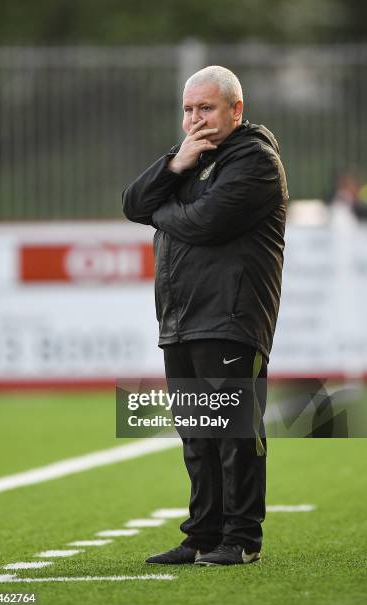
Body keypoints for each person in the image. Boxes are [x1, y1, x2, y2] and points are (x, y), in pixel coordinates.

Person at [123, 65, 288, 566]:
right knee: (196, 434)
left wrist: (162, 209)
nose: (195, 119)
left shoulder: (256, 161)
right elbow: (133, 203)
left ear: (236, 110)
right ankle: (201, 536)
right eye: (188, 109)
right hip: (179, 318)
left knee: (235, 433)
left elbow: (206, 223)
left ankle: (241, 540)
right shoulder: (189, 155)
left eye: (206, 108)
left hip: (232, 317)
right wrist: (174, 168)